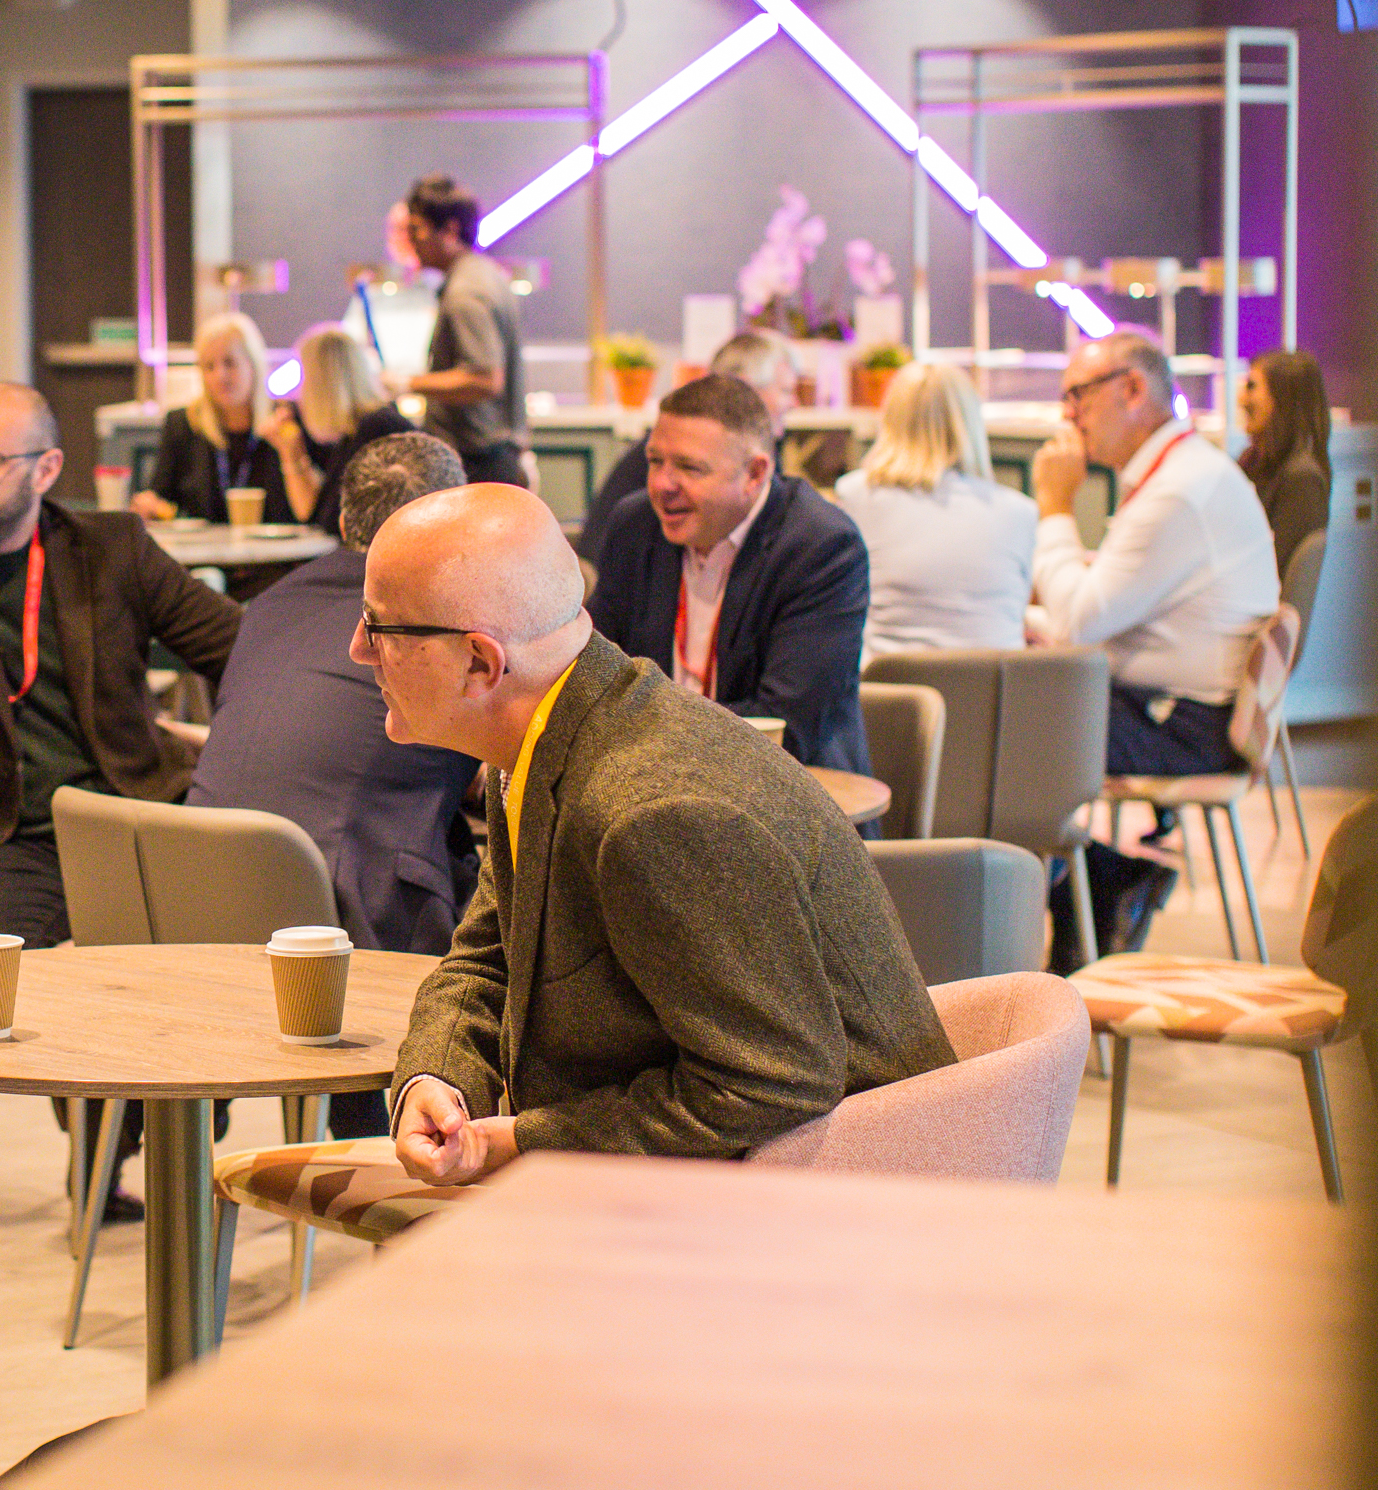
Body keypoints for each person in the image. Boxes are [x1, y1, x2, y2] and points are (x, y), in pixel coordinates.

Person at [359, 485, 950, 1178]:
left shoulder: (654, 812)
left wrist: (522, 1139)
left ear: (481, 662)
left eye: (379, 628)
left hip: (831, 1218)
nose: (357, 650)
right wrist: (438, 1080)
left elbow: (772, 1084)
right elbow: (485, 961)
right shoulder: (544, 741)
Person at [0, 382, 240, 947]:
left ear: (47, 470)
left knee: (250, 936)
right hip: (13, 838)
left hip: (141, 812)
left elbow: (244, 653)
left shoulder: (111, 548)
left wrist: (231, 754)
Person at [189, 434, 478, 1137]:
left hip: (192, 915)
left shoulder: (269, 605)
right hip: (343, 934)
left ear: (345, 520)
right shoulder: (446, 622)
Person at [1030, 330, 1280, 949]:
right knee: (1016, 711)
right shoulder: (1185, 472)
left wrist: (1054, 504)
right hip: (1180, 707)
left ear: (1133, 389)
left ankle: (1097, 888)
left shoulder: (1177, 492)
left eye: (1077, 396)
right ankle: (1096, 888)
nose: (1067, 415)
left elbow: (1077, 625)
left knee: (1006, 734)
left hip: (1186, 727)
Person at [588, 373, 873, 774]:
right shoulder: (635, 524)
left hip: (784, 802)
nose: (662, 485)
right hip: (648, 791)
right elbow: (592, 675)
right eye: (655, 461)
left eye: (689, 467)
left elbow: (783, 728)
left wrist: (637, 730)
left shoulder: (821, 547)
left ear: (755, 474)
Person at [833, 360, 1037, 656]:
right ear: (970, 424)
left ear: (890, 420)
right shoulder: (1021, 512)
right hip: (996, 696)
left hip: (890, 695)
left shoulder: (854, 496)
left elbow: (839, 610)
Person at [578, 326, 800, 565]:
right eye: (785, 391)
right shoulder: (636, 517)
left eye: (689, 468)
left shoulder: (814, 536)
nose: (793, 403)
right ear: (745, 388)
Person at [385, 175, 529, 488]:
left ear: (449, 230)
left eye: (417, 229)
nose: (412, 241)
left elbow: (484, 378)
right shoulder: (482, 273)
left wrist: (404, 383)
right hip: (488, 459)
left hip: (478, 462)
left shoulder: (466, 291)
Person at [132, 312, 293, 525]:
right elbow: (159, 498)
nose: (220, 376)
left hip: (279, 556)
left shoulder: (284, 422)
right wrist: (149, 506)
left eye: (230, 363)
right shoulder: (183, 424)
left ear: (253, 364)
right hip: (199, 554)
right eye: (209, 366)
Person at [263, 323, 408, 536]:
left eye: (304, 377)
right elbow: (313, 515)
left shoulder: (376, 429)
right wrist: (291, 451)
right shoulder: (359, 429)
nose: (299, 393)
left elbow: (330, 523)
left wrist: (292, 455)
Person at [1235, 348, 1333, 580]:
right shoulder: (1253, 462)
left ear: (1283, 398)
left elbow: (1274, 572)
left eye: (1251, 386)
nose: (1240, 399)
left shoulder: (1302, 479)